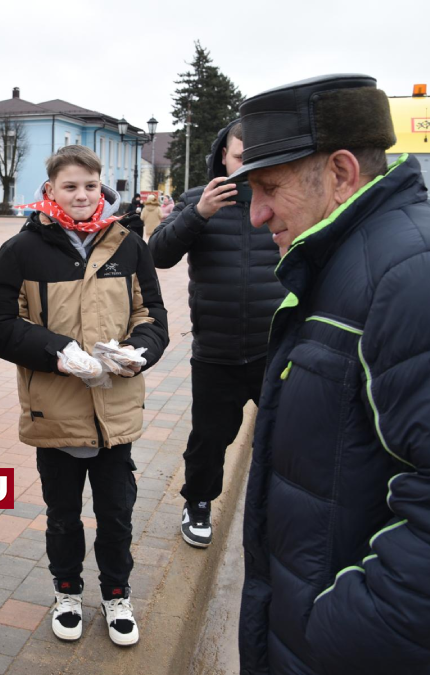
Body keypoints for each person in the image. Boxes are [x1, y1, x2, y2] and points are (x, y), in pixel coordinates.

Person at [231, 74, 430, 674]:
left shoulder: (419, 275)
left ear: (343, 173)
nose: (256, 214)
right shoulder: (347, 258)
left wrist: (339, 635)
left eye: (269, 187)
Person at [0, 145, 168, 647]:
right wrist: (58, 350)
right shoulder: (21, 250)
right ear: (51, 190)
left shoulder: (128, 244)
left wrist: (139, 352)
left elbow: (152, 315)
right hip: (56, 412)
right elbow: (1, 327)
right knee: (62, 515)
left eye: (90, 185)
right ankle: (66, 591)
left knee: (116, 514)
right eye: (70, 186)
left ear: (101, 186)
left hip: (116, 411)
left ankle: (116, 594)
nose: (82, 195)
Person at [148, 121, 285, 549]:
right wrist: (198, 213)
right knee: (209, 438)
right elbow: (158, 254)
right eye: (239, 157)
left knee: (289, 435)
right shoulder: (197, 201)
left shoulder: (284, 199)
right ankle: (199, 503)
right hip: (216, 350)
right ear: (223, 156)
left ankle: (283, 510)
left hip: (275, 349)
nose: (246, 166)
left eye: (254, 157)